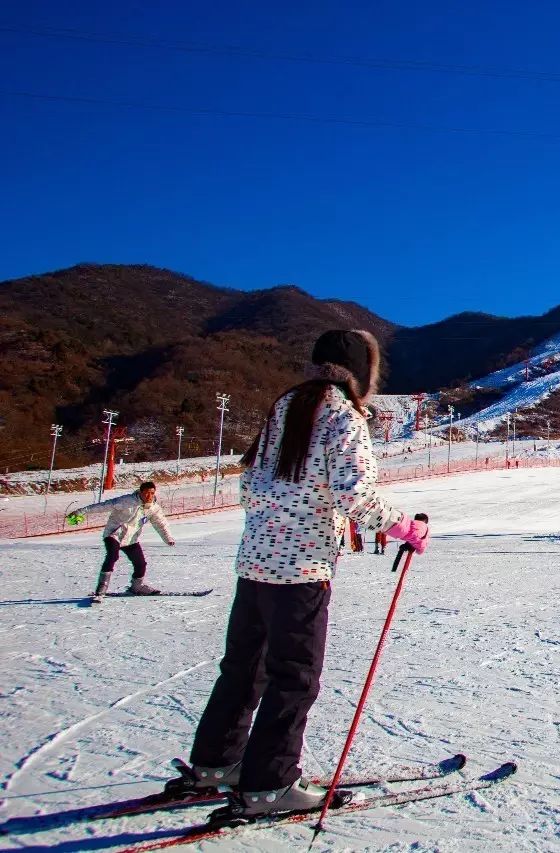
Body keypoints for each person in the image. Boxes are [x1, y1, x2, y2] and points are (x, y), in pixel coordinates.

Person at [183, 329, 428, 818]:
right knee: (293, 678)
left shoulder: (285, 406)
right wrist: (406, 526)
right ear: (362, 373)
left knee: (243, 668)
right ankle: (269, 784)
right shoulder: (342, 414)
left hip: (255, 563)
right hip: (300, 570)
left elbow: (250, 481)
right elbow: (355, 494)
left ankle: (216, 763)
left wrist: (273, 521)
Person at [69, 481, 175, 597]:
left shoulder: (154, 508)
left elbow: (161, 524)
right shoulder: (126, 501)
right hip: (114, 534)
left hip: (131, 539)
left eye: (152, 493)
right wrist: (80, 512)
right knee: (112, 556)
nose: (149, 496)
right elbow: (103, 506)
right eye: (146, 493)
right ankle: (101, 588)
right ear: (140, 492)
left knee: (141, 564)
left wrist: (168, 538)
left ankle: (137, 587)